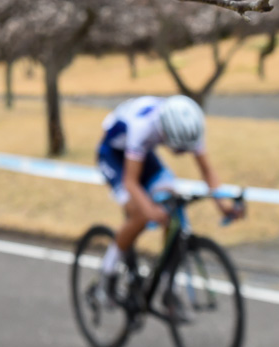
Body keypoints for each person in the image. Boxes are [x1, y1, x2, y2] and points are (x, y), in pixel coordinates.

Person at [96, 95, 242, 300]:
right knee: (140, 214)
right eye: (179, 149)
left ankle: (168, 284)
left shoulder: (189, 126)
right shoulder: (143, 127)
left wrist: (223, 205)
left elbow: (207, 172)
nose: (183, 153)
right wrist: (150, 211)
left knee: (171, 205)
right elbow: (130, 181)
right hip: (114, 155)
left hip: (144, 154)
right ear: (166, 133)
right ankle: (108, 271)